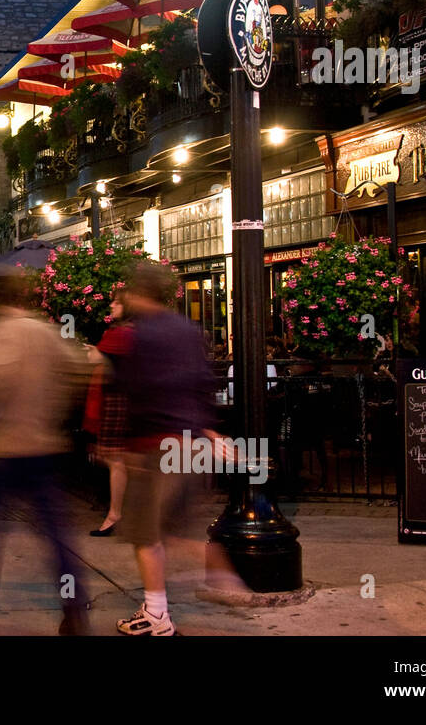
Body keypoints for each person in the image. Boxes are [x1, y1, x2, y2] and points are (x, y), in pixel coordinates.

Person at [0, 274, 91, 634]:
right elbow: (78, 371)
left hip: (2, 448)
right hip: (43, 445)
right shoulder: (47, 332)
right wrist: (52, 413)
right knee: (56, 531)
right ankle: (74, 607)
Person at [109, 260, 242, 637]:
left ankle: (157, 613)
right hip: (191, 442)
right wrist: (209, 430)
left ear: (137, 293)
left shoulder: (139, 335)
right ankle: (216, 569)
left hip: (156, 444)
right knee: (172, 530)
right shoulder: (188, 330)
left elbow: (136, 392)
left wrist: (126, 449)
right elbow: (204, 381)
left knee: (145, 533)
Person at [85, 297, 131, 537]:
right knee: (118, 458)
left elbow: (97, 359)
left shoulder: (120, 333)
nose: (111, 305)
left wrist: (91, 350)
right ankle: (120, 511)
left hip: (117, 400)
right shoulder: (132, 332)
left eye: (117, 302)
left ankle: (115, 514)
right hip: (124, 398)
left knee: (115, 459)